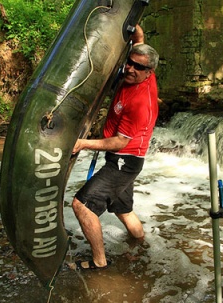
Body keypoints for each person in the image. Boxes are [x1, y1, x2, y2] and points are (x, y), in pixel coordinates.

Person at [70, 27, 159, 270]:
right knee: (123, 209)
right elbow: (139, 42)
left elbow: (120, 142)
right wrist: (136, 30)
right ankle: (140, 243)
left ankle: (99, 262)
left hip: (123, 160)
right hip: (126, 160)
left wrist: (83, 144)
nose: (129, 69)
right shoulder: (141, 71)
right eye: (130, 63)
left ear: (149, 73)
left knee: (82, 206)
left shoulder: (142, 102)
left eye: (138, 68)